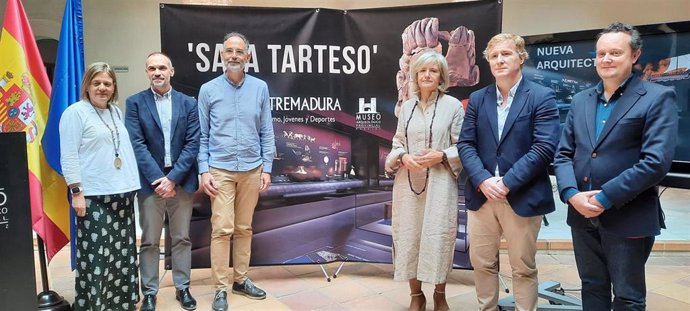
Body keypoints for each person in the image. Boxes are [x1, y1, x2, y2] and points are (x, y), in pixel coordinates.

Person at [554, 22, 678, 311]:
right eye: (601, 54)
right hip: (581, 214)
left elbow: (655, 162)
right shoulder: (581, 100)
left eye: (615, 52)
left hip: (628, 214)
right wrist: (571, 194)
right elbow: (562, 155)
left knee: (627, 296)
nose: (606, 59)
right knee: (592, 287)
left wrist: (604, 197)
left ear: (634, 56)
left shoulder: (658, 98)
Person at [457, 33, 560, 311]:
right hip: (482, 197)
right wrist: (483, 179)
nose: (499, 60)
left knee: (523, 268)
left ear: (521, 58)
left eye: (506, 54)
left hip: (522, 196)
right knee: (482, 264)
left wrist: (507, 182)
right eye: (494, 56)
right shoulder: (478, 99)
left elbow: (544, 147)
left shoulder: (541, 96)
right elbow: (466, 143)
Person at [197, 32, 275, 311]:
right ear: (221, 55)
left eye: (239, 51)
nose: (233, 55)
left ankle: (241, 280)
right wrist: (203, 170)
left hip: (253, 168)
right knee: (221, 230)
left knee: (244, 228)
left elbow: (267, 129)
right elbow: (202, 135)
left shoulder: (260, 88)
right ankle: (220, 288)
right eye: (228, 51)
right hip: (220, 169)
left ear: (248, 57)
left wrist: (267, 167)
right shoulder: (208, 90)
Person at [385, 50, 464, 311]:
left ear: (441, 75)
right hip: (407, 185)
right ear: (415, 75)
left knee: (438, 235)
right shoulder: (406, 107)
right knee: (409, 235)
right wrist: (403, 157)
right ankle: (416, 295)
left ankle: (440, 294)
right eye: (422, 71)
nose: (427, 75)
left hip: (441, 183)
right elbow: (397, 142)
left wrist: (440, 156)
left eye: (432, 70)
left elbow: (463, 146)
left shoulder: (452, 106)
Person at [59, 62, 141, 311]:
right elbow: (69, 156)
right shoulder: (75, 113)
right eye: (97, 83)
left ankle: (120, 304)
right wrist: (76, 192)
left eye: (107, 83)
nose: (102, 88)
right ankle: (94, 305)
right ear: (87, 85)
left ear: (114, 86)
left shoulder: (115, 112)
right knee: (96, 257)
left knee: (121, 256)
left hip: (121, 194)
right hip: (93, 196)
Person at [125, 52, 200, 311]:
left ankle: (183, 287)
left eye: (162, 68)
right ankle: (149, 293)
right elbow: (136, 144)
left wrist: (173, 179)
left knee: (181, 238)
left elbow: (193, 144)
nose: (157, 72)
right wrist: (160, 179)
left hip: (181, 180)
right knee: (149, 240)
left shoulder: (189, 103)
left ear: (172, 71)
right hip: (151, 182)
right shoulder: (134, 103)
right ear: (146, 72)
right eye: (152, 68)